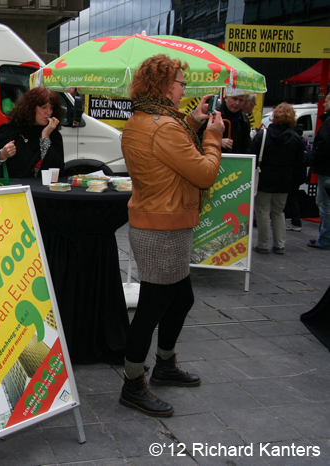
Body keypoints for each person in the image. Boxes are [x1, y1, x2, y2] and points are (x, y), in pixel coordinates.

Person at [119, 54, 224, 417]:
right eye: (181, 82)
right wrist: (212, 135)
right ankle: (133, 384)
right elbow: (205, 175)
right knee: (150, 310)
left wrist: (192, 126)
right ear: (165, 85)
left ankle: (164, 365)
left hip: (163, 224)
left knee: (181, 301)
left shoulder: (143, 120)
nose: (184, 89)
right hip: (162, 230)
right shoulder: (164, 127)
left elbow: (170, 157)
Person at [250, 103, 305, 255]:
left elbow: (252, 153)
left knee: (262, 211)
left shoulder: (263, 135)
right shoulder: (296, 138)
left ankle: (263, 243)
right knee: (279, 211)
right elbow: (299, 163)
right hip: (284, 180)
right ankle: (279, 244)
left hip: (264, 179)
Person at [0, 87, 64, 178]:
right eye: (43, 107)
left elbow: (56, 171)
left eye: (51, 108)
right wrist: (2, 155)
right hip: (9, 189)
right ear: (31, 108)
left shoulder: (53, 135)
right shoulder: (10, 129)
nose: (48, 112)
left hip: (40, 190)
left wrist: (45, 137)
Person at [308, 99, 330, 250]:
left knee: (324, 203)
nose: (323, 103)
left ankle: (325, 238)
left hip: (326, 168)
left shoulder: (328, 122)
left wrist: (313, 158)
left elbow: (324, 146)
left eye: (327, 101)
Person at [284, 124, 311, 233]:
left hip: (293, 173)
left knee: (291, 198)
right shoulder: (303, 141)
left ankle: (295, 222)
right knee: (292, 197)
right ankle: (294, 221)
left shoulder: (293, 140)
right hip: (300, 173)